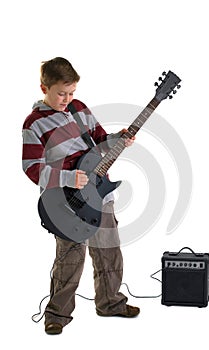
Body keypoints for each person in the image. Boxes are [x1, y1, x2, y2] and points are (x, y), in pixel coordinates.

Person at [22, 57, 139, 335]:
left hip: (100, 192)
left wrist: (119, 138)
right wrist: (68, 178)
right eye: (61, 93)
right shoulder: (34, 123)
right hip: (65, 201)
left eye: (72, 92)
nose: (67, 98)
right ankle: (57, 315)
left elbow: (99, 139)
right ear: (44, 88)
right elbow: (31, 167)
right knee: (70, 259)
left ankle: (110, 303)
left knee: (109, 251)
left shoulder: (79, 109)